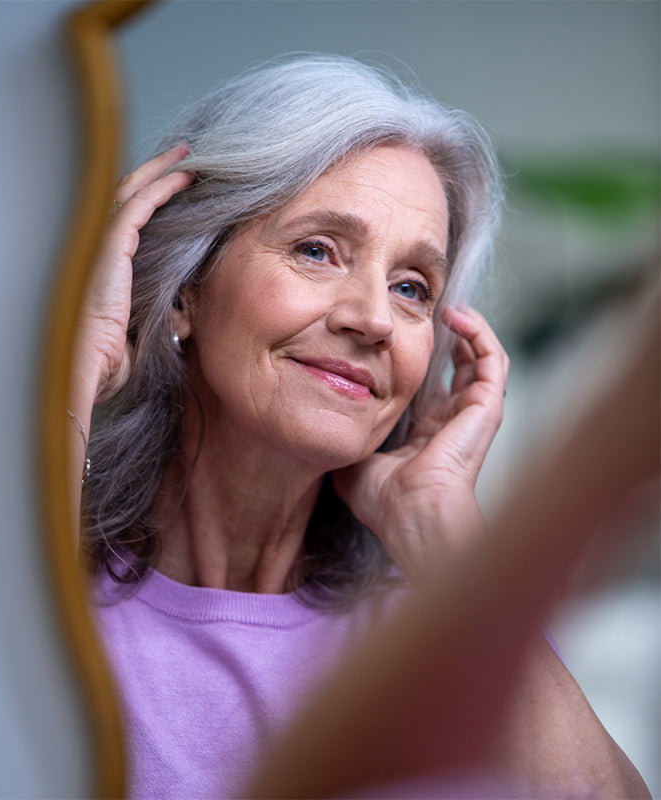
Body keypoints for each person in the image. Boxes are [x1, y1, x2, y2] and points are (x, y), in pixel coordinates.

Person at [70, 55, 649, 798]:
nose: (374, 319)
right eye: (317, 250)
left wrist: (434, 518)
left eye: (412, 288)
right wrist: (75, 372)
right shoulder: (49, 579)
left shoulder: (429, 631)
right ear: (184, 290)